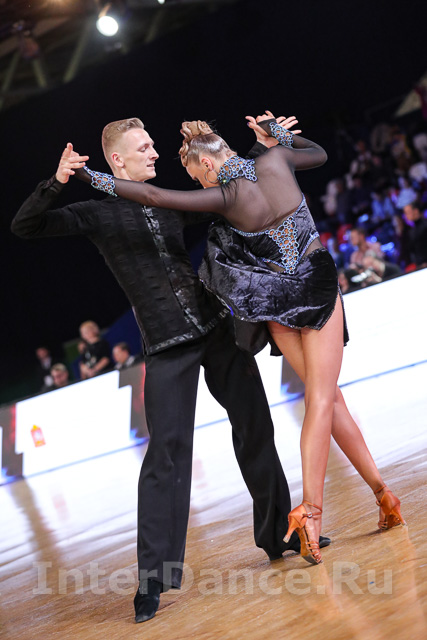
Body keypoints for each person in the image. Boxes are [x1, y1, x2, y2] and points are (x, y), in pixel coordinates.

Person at [11, 116, 331, 623]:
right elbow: (25, 226)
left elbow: (235, 192)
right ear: (118, 160)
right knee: (166, 455)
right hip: (166, 345)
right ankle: (152, 582)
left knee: (255, 425)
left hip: (215, 329)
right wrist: (57, 181)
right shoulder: (95, 214)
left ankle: (277, 535)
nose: (154, 153)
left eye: (153, 146)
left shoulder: (170, 201)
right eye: (144, 148)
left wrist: (261, 147)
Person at [77, 111, 406, 566]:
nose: (199, 184)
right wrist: (279, 135)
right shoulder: (275, 161)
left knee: (326, 400)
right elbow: (318, 154)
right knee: (324, 399)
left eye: (196, 177)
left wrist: (91, 177)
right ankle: (320, 508)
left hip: (279, 305)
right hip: (317, 287)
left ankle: (376, 497)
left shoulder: (224, 196)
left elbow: (152, 195)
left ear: (206, 165)